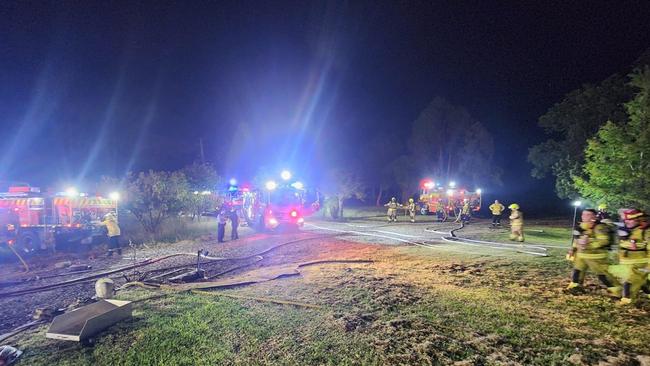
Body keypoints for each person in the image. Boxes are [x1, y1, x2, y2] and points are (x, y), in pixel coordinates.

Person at [566, 209, 619, 294]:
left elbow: (604, 241)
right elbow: (576, 240)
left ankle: (617, 291)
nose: (584, 216)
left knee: (603, 275)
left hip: (596, 257)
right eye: (583, 214)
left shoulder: (599, 227)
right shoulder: (581, 226)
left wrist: (589, 245)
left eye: (588, 215)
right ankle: (575, 287)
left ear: (594, 216)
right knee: (577, 272)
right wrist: (573, 249)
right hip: (581, 256)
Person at [610, 209, 649, 304]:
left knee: (630, 282)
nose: (627, 221)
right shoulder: (625, 230)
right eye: (626, 219)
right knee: (641, 282)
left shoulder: (646, 231)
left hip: (640, 264)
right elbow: (621, 246)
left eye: (630, 219)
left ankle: (627, 301)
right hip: (626, 263)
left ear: (638, 220)